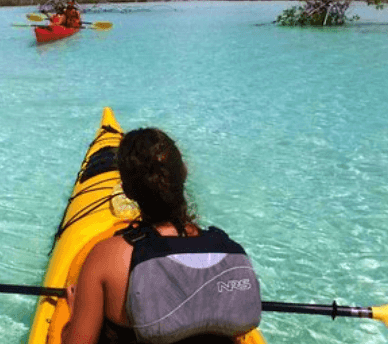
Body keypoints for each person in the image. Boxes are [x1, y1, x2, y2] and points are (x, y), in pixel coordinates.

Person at [61, 128, 261, 344]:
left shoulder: (106, 257)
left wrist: (75, 316)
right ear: (183, 172)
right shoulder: (225, 248)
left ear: (127, 191)